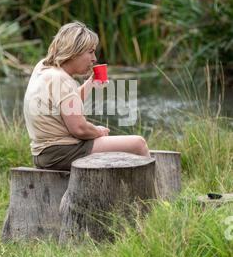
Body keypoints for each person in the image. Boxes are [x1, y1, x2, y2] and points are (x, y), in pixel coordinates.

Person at [24, 21, 150, 170]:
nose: (94, 59)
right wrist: (98, 132)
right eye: (90, 52)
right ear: (73, 52)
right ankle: (154, 192)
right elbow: (79, 129)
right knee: (138, 144)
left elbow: (67, 106)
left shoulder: (43, 68)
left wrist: (90, 84)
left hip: (43, 154)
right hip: (62, 152)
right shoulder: (62, 79)